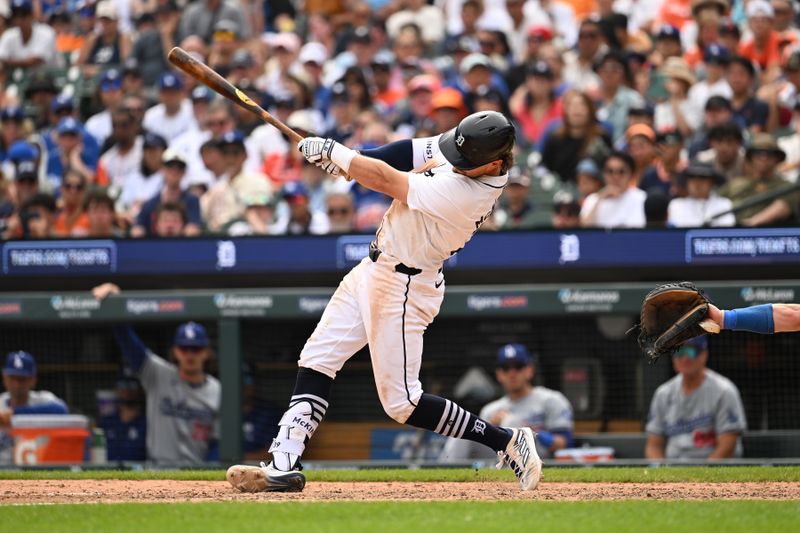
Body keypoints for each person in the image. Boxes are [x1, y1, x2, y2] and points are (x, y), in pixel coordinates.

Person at [226, 111, 543, 493]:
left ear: (494, 163)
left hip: (405, 285)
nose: (455, 161)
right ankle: (284, 461)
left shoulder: (469, 194)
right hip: (373, 267)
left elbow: (388, 180)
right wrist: (351, 158)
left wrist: (341, 156)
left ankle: (507, 441)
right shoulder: (465, 146)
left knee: (403, 403)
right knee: (317, 358)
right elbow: (403, 153)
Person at [93, 282, 220, 465]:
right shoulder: (158, 374)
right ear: (175, 351)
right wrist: (116, 300)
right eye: (184, 348)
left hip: (196, 471)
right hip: (158, 469)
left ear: (206, 352)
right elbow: (130, 345)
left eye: (196, 349)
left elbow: (218, 441)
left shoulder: (218, 390)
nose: (190, 355)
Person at [440, 344, 574, 462]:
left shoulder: (550, 399)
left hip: (539, 459)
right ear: (499, 374)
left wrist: (528, 430)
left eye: (518, 366)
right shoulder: (491, 409)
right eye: (506, 368)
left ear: (529, 370)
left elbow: (565, 443)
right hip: (499, 461)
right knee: (464, 430)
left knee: (511, 424)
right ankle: (443, 481)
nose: (512, 373)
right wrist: (492, 428)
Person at [645, 336, 747, 459]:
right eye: (679, 352)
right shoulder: (663, 393)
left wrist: (703, 476)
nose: (685, 358)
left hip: (715, 472)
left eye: (691, 352)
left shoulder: (724, 390)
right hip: (674, 472)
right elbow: (653, 445)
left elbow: (728, 444)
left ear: (704, 354)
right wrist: (660, 472)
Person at [0, 351, 68, 464]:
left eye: (22, 379)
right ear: (4, 378)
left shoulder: (42, 399)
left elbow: (61, 409)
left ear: (32, 380)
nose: (16, 384)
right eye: (13, 378)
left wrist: (15, 413)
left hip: (36, 470)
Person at [580, 151, 646, 228]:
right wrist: (600, 199)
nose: (615, 177)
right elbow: (584, 231)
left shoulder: (642, 198)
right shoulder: (592, 199)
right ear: (603, 174)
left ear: (631, 174)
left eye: (621, 172)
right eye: (610, 171)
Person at [667, 163, 735, 227]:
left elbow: (726, 230)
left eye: (702, 178)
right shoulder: (676, 205)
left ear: (712, 182)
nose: (697, 183)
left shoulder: (724, 204)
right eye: (692, 177)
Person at [99, 376, 147, 462]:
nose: (126, 390)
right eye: (122, 385)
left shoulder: (147, 423)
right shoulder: (107, 422)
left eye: (132, 385)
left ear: (140, 389)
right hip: (108, 472)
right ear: (116, 389)